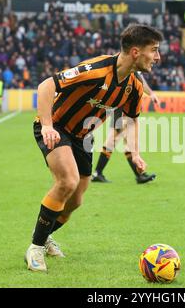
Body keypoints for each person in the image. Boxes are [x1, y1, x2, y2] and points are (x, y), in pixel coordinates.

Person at [25, 24, 163, 272]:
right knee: (67, 180)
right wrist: (47, 126)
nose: (158, 57)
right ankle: (35, 248)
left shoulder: (134, 87)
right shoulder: (96, 70)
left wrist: (137, 154)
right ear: (135, 52)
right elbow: (47, 85)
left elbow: (131, 121)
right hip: (56, 127)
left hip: (83, 137)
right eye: (154, 50)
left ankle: (44, 236)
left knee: (76, 200)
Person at [91, 72, 159, 184]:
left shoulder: (132, 70)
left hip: (122, 112)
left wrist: (150, 93)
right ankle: (138, 175)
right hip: (122, 112)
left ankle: (98, 173)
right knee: (116, 142)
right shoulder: (128, 69)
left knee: (117, 143)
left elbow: (140, 79)